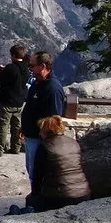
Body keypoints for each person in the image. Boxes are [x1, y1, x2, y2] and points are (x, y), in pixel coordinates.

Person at [26, 115, 90, 212]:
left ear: (46, 131)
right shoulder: (74, 142)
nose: (39, 133)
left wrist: (34, 194)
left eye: (41, 130)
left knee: (30, 202)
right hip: (84, 193)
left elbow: (37, 176)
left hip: (60, 197)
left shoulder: (45, 146)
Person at [21, 51, 65, 181]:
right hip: (30, 136)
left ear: (43, 66)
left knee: (38, 173)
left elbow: (55, 120)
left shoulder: (52, 89)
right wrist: (24, 127)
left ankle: (37, 198)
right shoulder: (36, 83)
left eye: (32, 65)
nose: (29, 68)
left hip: (40, 140)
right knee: (31, 170)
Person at [0, 44, 31, 156]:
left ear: (13, 55)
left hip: (7, 102)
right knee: (17, 127)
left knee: (3, 127)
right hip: (20, 103)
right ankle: (16, 148)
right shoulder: (27, 69)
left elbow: (0, 81)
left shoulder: (11, 68)